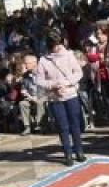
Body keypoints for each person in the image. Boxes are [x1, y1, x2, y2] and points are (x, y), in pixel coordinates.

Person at [36, 30, 86, 166]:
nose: (57, 48)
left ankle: (79, 150)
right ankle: (67, 153)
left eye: (58, 44)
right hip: (55, 97)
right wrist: (53, 85)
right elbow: (39, 80)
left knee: (75, 124)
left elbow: (78, 72)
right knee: (62, 126)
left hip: (70, 94)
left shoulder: (69, 55)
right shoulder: (43, 60)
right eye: (53, 45)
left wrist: (66, 83)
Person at [17, 53, 47, 135]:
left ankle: (40, 125)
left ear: (35, 63)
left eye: (27, 63)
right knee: (22, 103)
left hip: (43, 95)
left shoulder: (42, 73)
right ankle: (27, 127)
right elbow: (23, 89)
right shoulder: (25, 75)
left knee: (40, 102)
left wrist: (36, 97)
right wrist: (27, 95)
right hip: (31, 97)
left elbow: (45, 87)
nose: (26, 65)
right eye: (25, 63)